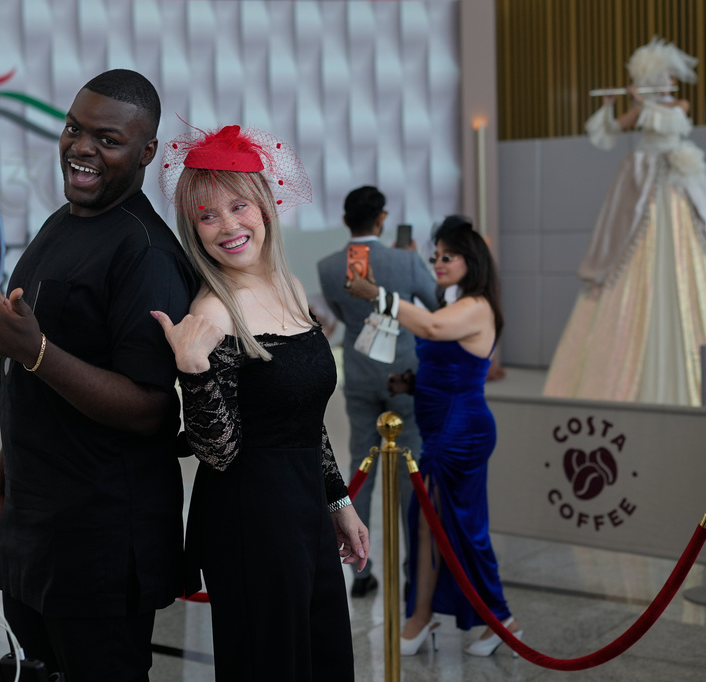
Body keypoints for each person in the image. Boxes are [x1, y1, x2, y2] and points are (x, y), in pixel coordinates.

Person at [0, 69, 197, 681]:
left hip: (101, 542)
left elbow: (150, 407)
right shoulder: (62, 223)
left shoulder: (145, 253)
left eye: (108, 139)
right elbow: (41, 390)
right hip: (34, 528)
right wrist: (2, 485)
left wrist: (34, 350)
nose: (82, 147)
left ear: (147, 152)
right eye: (74, 128)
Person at [151, 124, 369, 680]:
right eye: (207, 216)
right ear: (193, 229)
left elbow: (305, 416)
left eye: (238, 206)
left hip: (304, 506)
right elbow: (217, 453)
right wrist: (193, 370)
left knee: (323, 659)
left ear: (265, 206)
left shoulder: (290, 287)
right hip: (250, 517)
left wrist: (338, 501)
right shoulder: (213, 312)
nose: (228, 226)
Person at [543, 37, 706, 405]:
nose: (671, 81)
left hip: (677, 184)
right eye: (665, 75)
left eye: (670, 76)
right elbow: (609, 132)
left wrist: (643, 101)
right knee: (625, 243)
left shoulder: (675, 104)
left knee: (698, 242)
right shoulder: (641, 109)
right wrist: (610, 107)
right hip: (641, 182)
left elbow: (673, 117)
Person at [347, 217, 520, 657]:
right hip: (443, 428)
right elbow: (444, 359)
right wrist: (412, 383)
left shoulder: (477, 305)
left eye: (449, 256)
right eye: (436, 256)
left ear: (471, 261)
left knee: (449, 526)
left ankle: (483, 618)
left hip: (460, 432)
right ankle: (437, 616)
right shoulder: (454, 303)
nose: (439, 263)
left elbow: (432, 330)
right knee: (435, 524)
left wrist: (379, 295)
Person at [317, 185, 438, 597]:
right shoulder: (405, 260)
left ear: (345, 220)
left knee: (360, 463)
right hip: (405, 373)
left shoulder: (328, 267)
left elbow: (342, 312)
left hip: (358, 371)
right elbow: (435, 307)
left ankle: (360, 571)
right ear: (382, 219)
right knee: (410, 467)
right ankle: (413, 569)